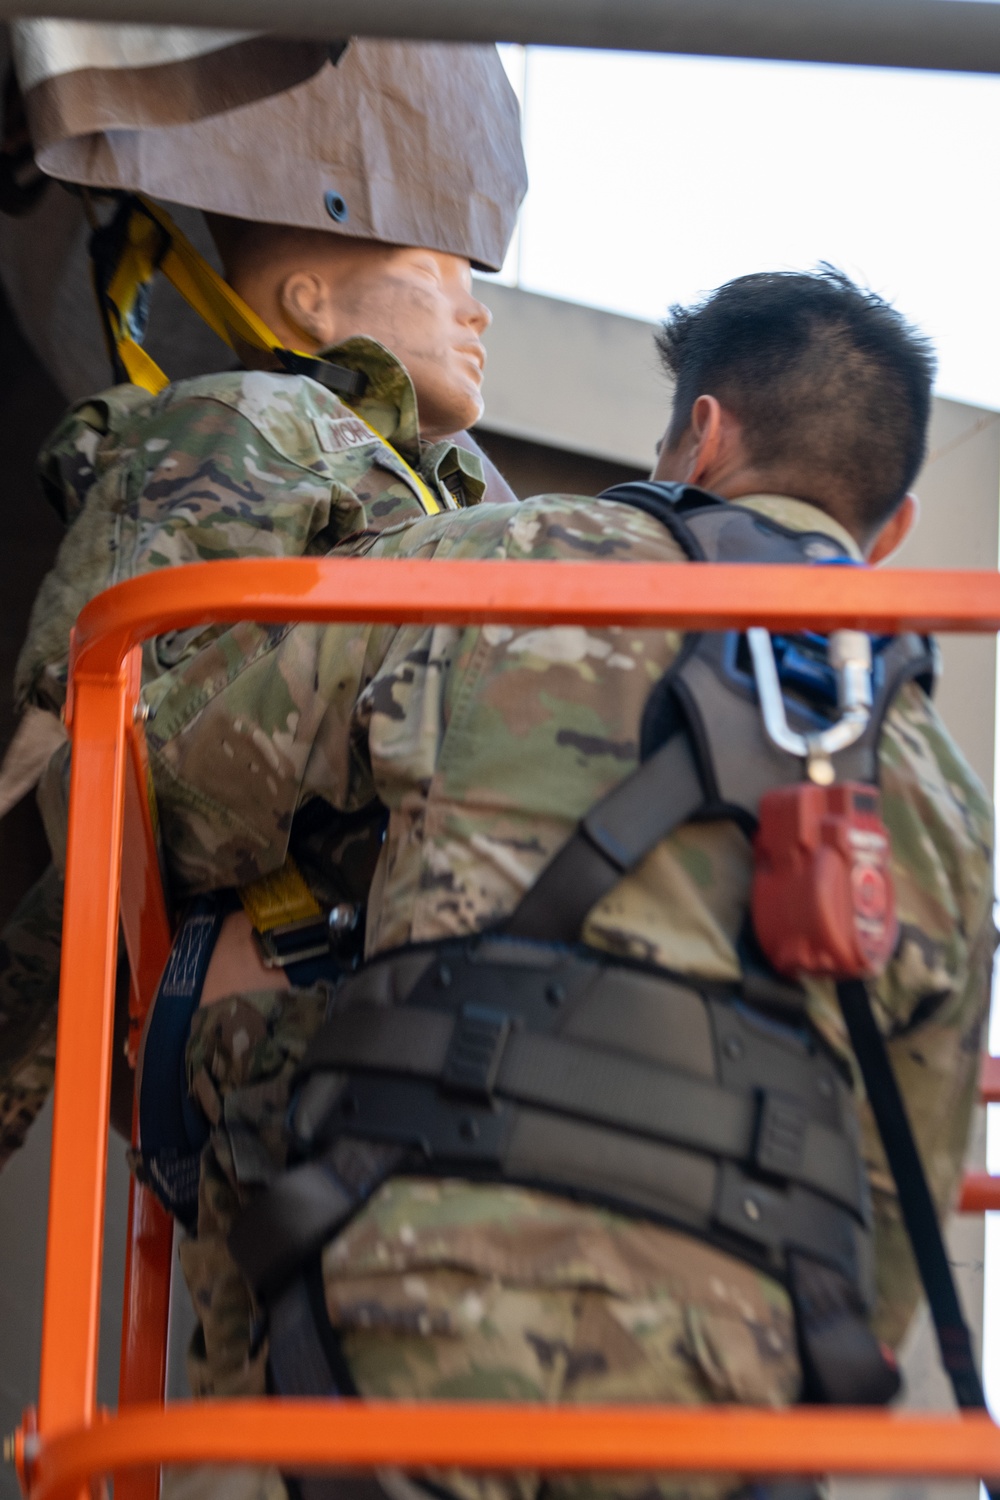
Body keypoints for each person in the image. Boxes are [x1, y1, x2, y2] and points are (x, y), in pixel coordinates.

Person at [128, 269, 993, 1496]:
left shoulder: (506, 564)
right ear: (888, 531)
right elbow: (893, 1230)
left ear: (702, 431)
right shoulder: (948, 805)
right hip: (723, 1400)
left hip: (403, 1314)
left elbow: (186, 790)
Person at [0, 31, 527, 1170]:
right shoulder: (256, 418)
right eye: (440, 271)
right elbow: (91, 702)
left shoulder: (438, 484)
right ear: (310, 301)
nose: (475, 311)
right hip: (261, 928)